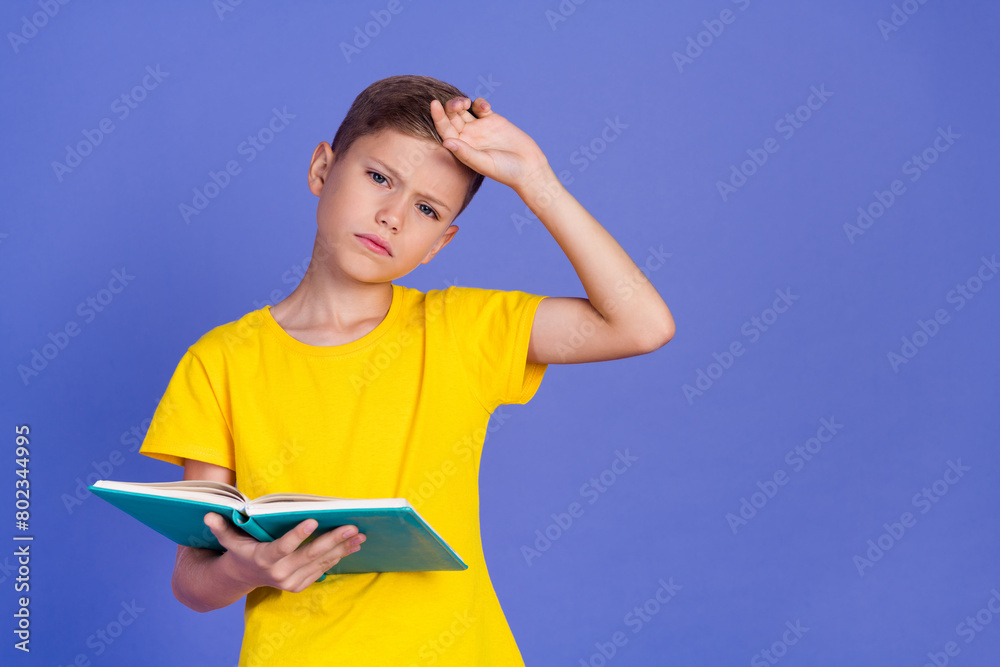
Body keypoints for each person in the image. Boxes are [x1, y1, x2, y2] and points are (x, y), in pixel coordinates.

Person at [139, 74, 675, 666]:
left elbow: (641, 324)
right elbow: (192, 577)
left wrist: (536, 180)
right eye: (378, 178)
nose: (393, 216)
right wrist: (243, 568)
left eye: (425, 208)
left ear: (439, 243)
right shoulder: (221, 360)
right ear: (322, 169)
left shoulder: (464, 330)